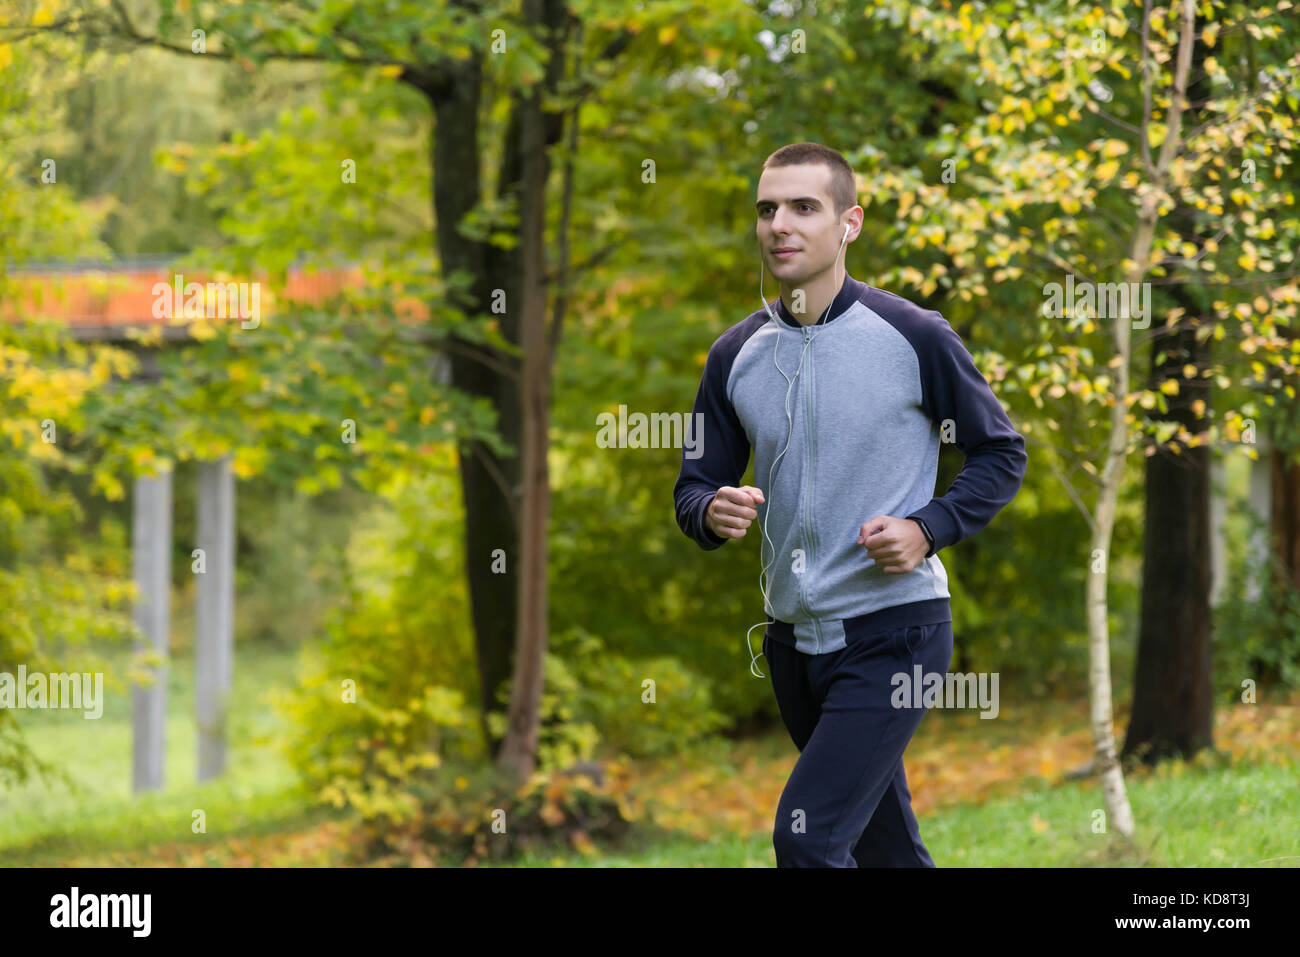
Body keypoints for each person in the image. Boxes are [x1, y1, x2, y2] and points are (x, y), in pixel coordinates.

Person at [672, 142, 1028, 867]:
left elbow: (1001, 453)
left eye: (805, 207)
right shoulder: (733, 354)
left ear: (850, 223)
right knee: (885, 852)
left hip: (895, 635)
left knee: (805, 838)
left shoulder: (914, 335)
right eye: (767, 208)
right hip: (792, 647)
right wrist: (712, 510)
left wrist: (928, 528)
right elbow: (692, 486)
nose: (780, 224)